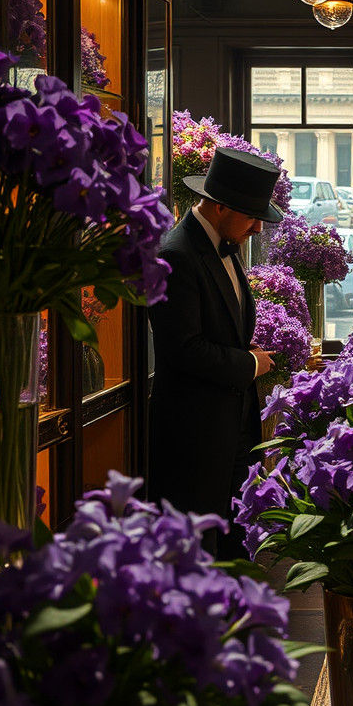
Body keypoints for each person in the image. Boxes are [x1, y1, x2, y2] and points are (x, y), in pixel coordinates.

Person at [148, 147, 283, 558]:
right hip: (194, 439)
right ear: (220, 207)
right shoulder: (176, 255)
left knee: (233, 547)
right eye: (252, 216)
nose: (258, 228)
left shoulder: (223, 242)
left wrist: (243, 349)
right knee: (195, 557)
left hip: (230, 429)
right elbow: (182, 349)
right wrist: (249, 363)